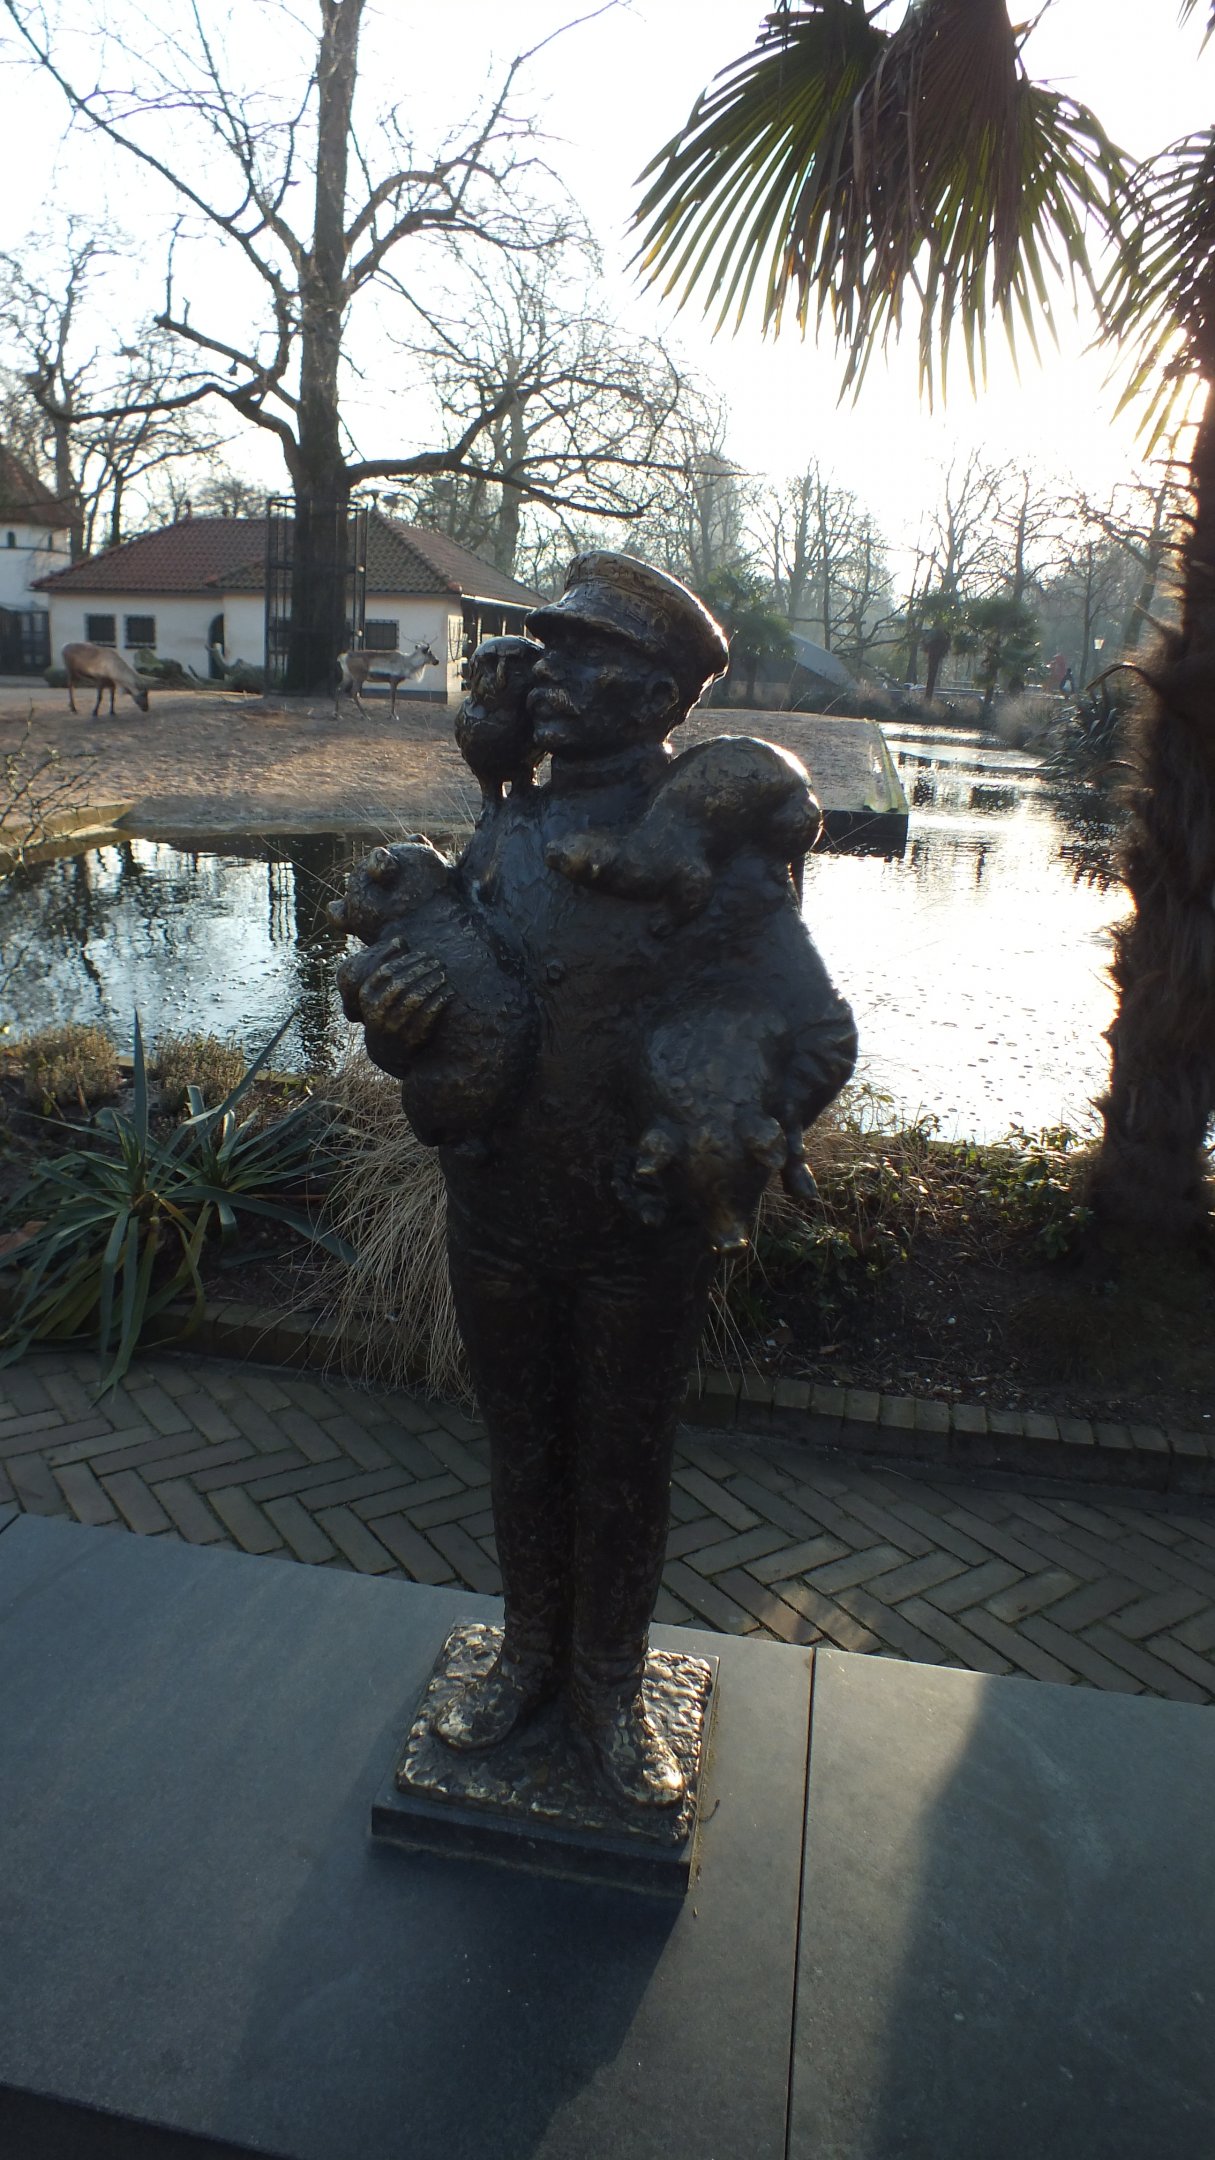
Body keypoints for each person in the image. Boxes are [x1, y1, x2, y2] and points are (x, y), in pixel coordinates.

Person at [344, 553, 856, 1808]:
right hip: (498, 1214)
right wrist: (392, 1020)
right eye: (551, 652)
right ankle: (527, 1656)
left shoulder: (709, 852)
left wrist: (738, 1131)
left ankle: (610, 1684)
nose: (551, 676)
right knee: (521, 1448)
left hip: (638, 1232)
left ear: (659, 696)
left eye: (589, 661)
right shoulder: (507, 828)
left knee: (623, 1458)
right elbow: (428, 1013)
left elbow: (820, 1032)